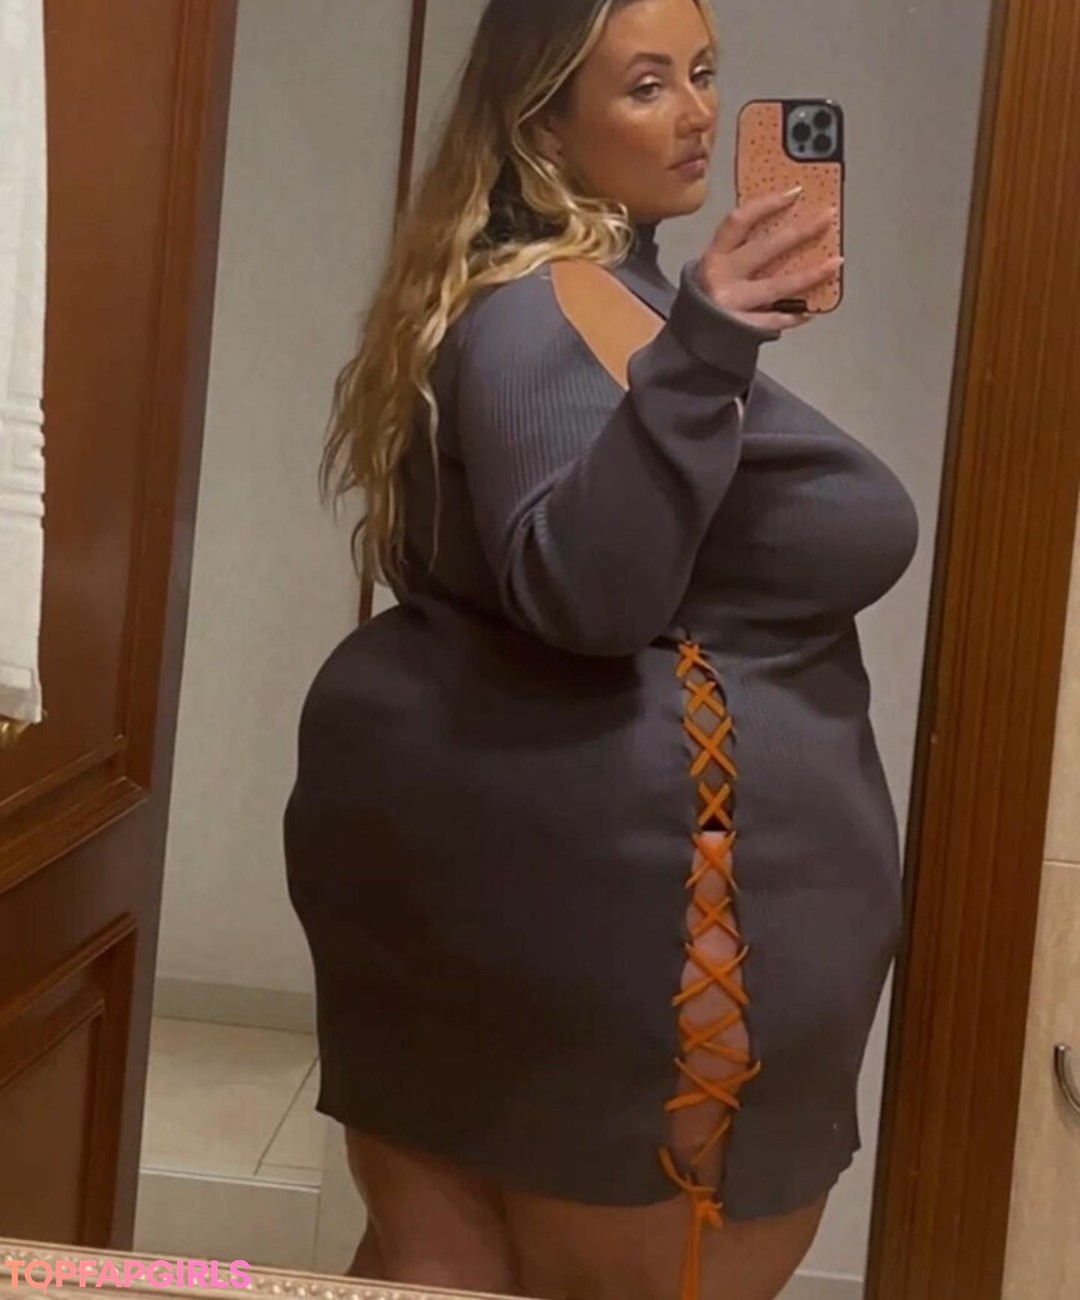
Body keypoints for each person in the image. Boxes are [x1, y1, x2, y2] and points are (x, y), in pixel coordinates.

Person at [283, 0, 919, 1297]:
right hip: (630, 963)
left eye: (704, 74)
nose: (697, 113)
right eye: (646, 85)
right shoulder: (546, 307)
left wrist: (702, 343)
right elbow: (581, 590)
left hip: (538, 910)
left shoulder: (587, 298)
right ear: (542, 123)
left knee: (438, 1263)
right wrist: (713, 342)